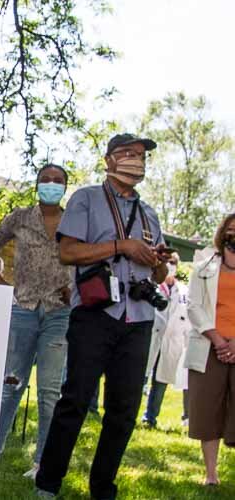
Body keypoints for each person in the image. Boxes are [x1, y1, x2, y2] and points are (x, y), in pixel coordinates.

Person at [35, 134, 171, 499]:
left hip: (138, 317)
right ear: (109, 160)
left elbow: (159, 275)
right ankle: (48, 483)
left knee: (124, 410)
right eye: (127, 153)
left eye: (141, 156)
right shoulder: (87, 199)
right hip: (96, 312)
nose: (135, 160)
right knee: (75, 399)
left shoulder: (150, 214)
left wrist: (158, 262)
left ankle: (102, 488)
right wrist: (121, 246)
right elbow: (68, 252)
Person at [0, 164, 72, 478]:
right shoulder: (20, 217)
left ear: (65, 187)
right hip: (22, 307)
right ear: (37, 184)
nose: (51, 184)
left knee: (50, 392)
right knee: (10, 384)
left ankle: (42, 463)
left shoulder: (74, 220)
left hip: (59, 313)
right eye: (45, 179)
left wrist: (75, 288)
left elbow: (87, 255)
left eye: (58, 181)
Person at [186, 213, 235, 486]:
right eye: (230, 230)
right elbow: (193, 304)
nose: (233, 235)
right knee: (208, 410)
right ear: (222, 233)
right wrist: (218, 339)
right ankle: (211, 475)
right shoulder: (205, 264)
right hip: (208, 345)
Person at [142, 253, 190, 428]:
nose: (171, 265)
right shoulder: (152, 285)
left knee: (160, 382)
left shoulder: (184, 291)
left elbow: (188, 319)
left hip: (172, 341)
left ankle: (150, 418)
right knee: (140, 376)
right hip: (153, 337)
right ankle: (128, 411)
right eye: (168, 262)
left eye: (174, 263)